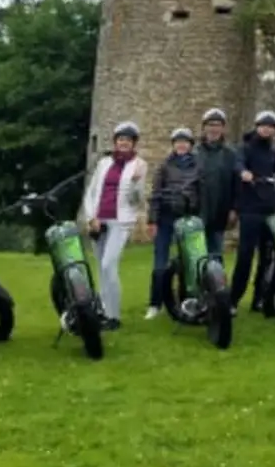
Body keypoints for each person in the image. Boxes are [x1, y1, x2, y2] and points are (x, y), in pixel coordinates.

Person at [80, 121, 147, 330]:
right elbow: (92, 192)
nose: (123, 143)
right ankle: (102, 310)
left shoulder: (139, 165)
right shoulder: (104, 163)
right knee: (101, 267)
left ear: (134, 143)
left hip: (121, 221)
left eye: (127, 140)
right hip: (100, 220)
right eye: (120, 139)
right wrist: (91, 217)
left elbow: (137, 200)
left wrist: (136, 182)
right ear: (115, 142)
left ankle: (114, 315)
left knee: (109, 264)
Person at [230, 110, 275, 314]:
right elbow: (237, 164)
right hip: (250, 211)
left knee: (268, 257)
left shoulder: (273, 153)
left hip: (270, 211)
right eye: (263, 125)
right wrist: (244, 173)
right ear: (257, 127)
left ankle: (260, 298)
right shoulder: (245, 148)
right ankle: (233, 300)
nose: (267, 129)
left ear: (274, 130)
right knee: (245, 257)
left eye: (271, 126)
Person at [145, 127, 202, 319]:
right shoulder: (164, 166)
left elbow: (201, 192)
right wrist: (152, 220)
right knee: (160, 262)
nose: (181, 145)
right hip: (166, 218)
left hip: (187, 217)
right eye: (178, 141)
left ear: (191, 145)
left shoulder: (198, 166)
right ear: (173, 144)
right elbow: (155, 195)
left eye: (185, 142)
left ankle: (185, 300)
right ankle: (155, 303)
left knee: (188, 260)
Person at [195, 107, 241, 257]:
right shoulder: (195, 153)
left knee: (215, 254)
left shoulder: (231, 154)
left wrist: (234, 209)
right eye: (210, 125)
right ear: (204, 128)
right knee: (197, 254)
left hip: (220, 211)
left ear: (223, 128)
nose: (214, 129)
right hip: (198, 211)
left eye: (217, 125)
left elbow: (236, 184)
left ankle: (216, 280)